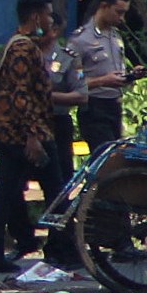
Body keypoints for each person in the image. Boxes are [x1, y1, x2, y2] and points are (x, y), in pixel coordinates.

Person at [0, 0, 69, 272]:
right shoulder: (23, 49)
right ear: (35, 16)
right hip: (24, 136)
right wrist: (33, 136)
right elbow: (22, 95)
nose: (49, 19)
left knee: (9, 192)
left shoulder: (23, 45)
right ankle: (58, 249)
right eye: (46, 13)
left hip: (17, 132)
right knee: (54, 191)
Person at [65, 0, 136, 155]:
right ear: (104, 6)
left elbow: (116, 71)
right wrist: (103, 81)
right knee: (107, 161)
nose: (122, 19)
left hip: (115, 105)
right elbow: (72, 83)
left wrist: (130, 76)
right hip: (95, 108)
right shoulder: (80, 40)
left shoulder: (114, 36)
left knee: (117, 159)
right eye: (119, 12)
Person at [44, 11, 85, 179]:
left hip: (57, 122)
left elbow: (82, 94)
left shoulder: (68, 58)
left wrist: (48, 96)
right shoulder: (28, 55)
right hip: (30, 124)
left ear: (54, 30)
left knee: (61, 175)